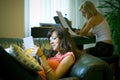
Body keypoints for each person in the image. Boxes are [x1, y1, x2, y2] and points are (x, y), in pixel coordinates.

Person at [0, 26, 81, 80]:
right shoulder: (56, 54)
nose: (51, 42)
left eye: (54, 38)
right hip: (32, 73)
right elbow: (39, 68)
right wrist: (28, 54)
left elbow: (53, 78)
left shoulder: (69, 56)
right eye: (50, 40)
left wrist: (41, 56)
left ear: (63, 39)